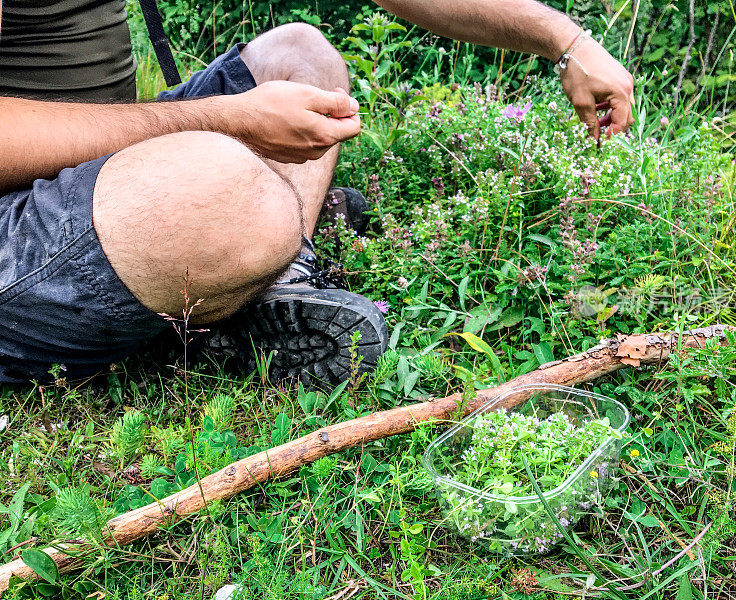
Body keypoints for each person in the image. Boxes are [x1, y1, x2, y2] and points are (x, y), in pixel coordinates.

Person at [0, 0, 634, 386]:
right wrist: (223, 120)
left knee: (303, 55)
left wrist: (566, 41)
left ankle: (266, 275)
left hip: (91, 163)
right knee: (221, 182)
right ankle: (241, 258)